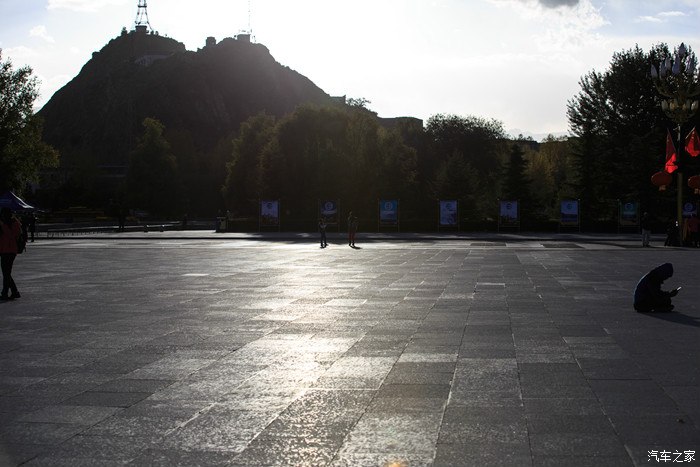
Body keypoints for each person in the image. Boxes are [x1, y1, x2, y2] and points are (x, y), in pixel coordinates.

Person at [0, 207, 23, 300]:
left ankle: (5, 293)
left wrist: (3, 225)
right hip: (3, 250)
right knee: (6, 273)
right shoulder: (4, 222)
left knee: (6, 273)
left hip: (10, 250)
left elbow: (11, 235)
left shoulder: (15, 223)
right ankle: (14, 292)